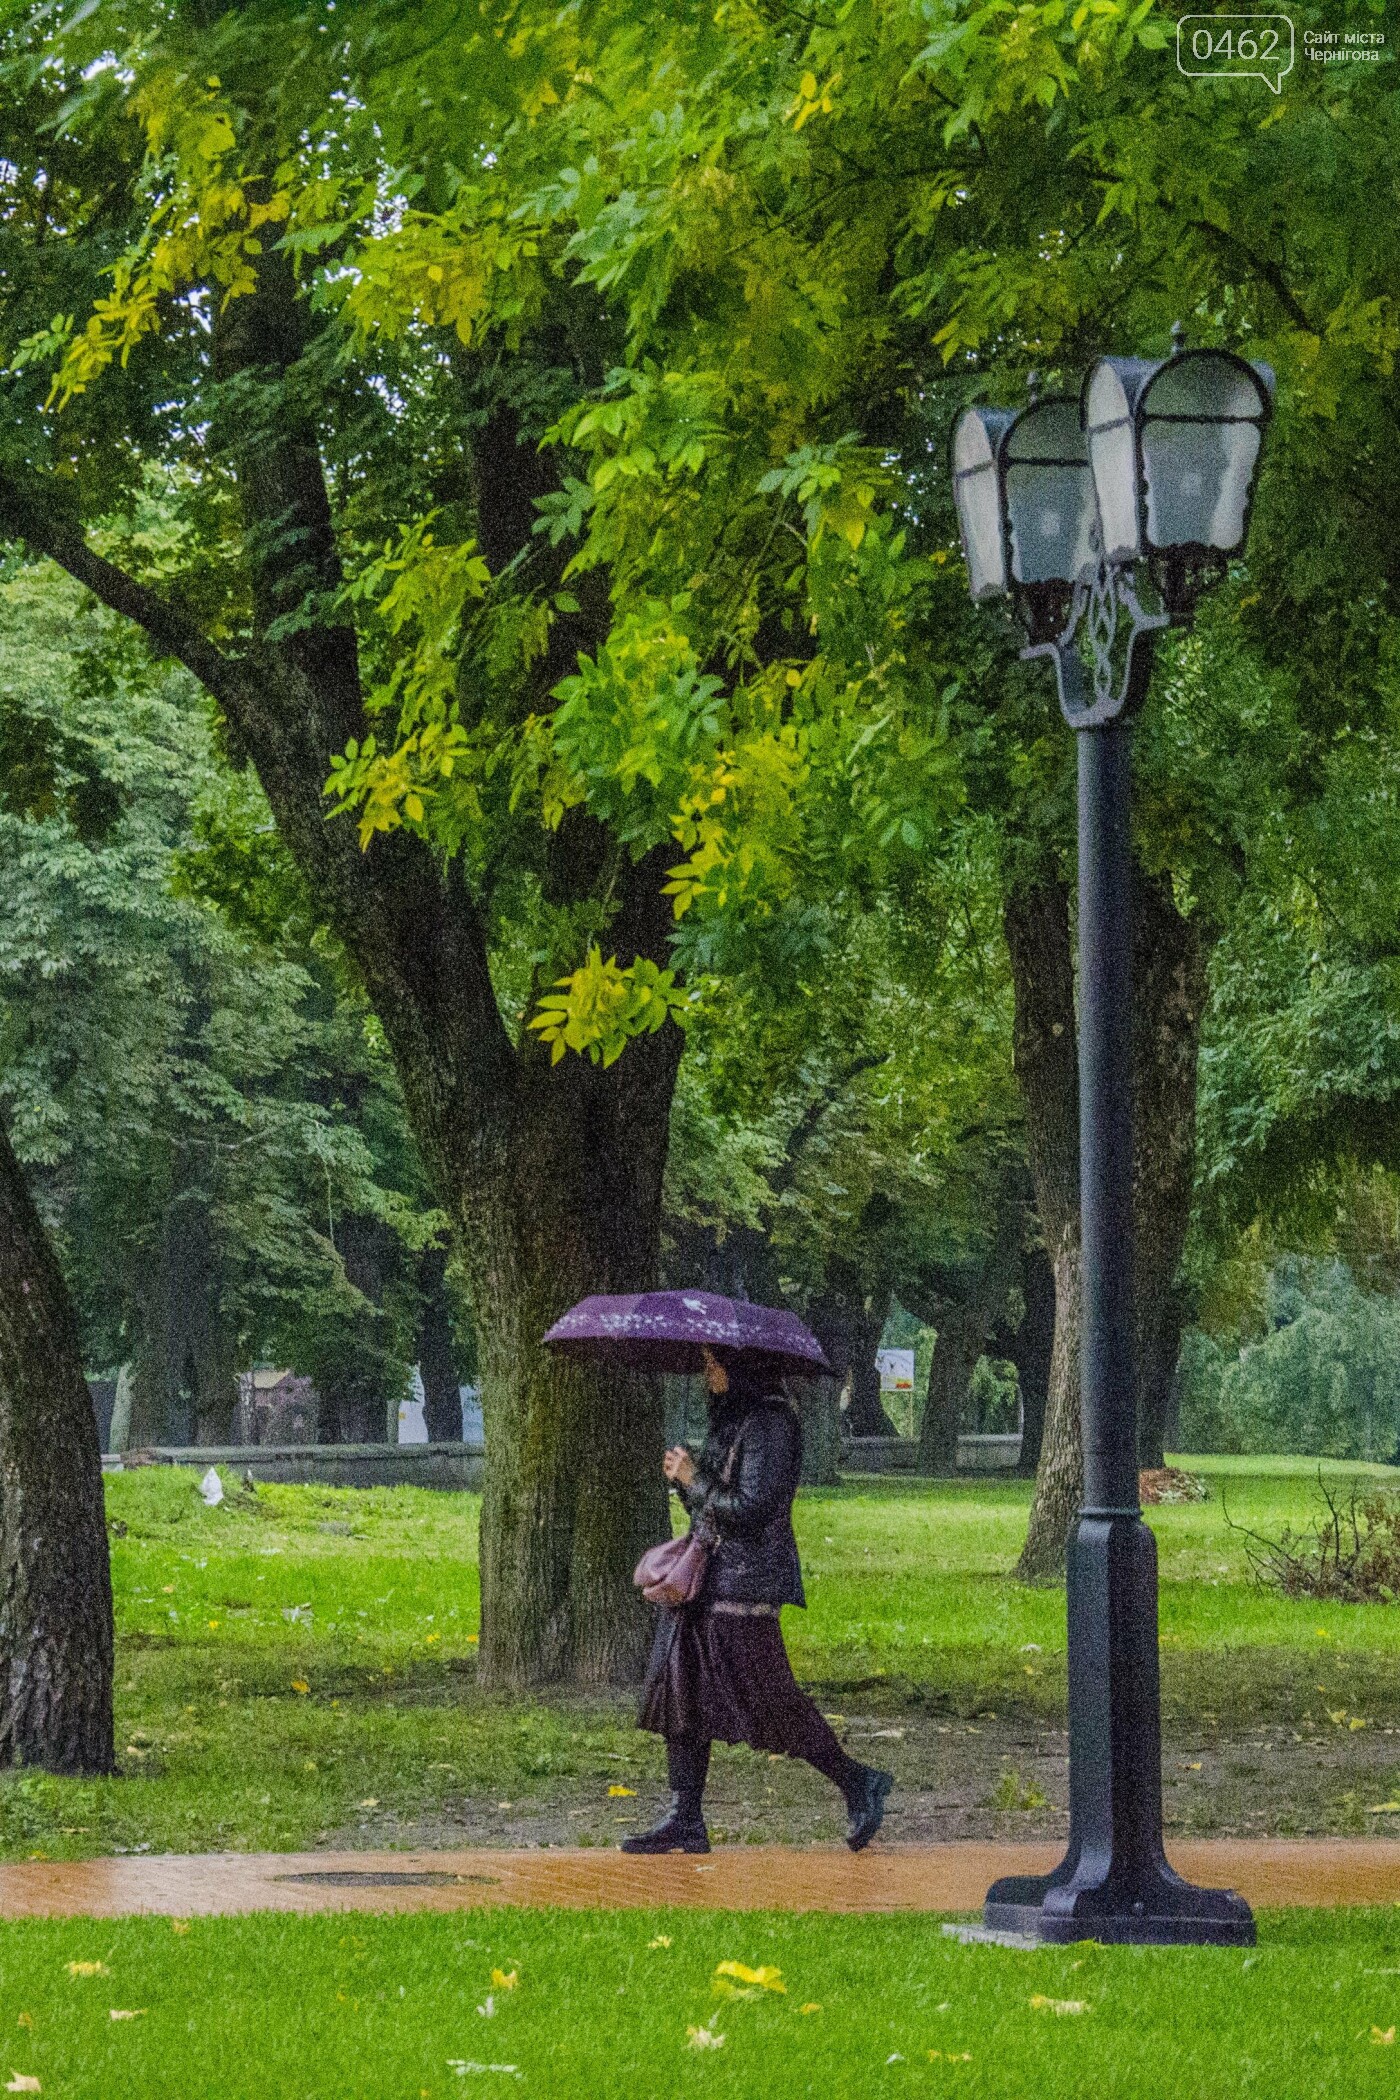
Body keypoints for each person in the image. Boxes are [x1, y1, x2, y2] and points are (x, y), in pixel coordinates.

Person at [622, 1343, 893, 1856]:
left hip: (744, 1587)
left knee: (769, 1700)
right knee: (683, 1690)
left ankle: (858, 1782)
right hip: (707, 1582)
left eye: (713, 1362)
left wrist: (693, 1478)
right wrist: (689, 1481)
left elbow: (750, 1510)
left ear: (739, 1366)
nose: (707, 1372)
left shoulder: (771, 1423)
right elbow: (715, 1509)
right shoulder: (736, 1418)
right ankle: (685, 1816)